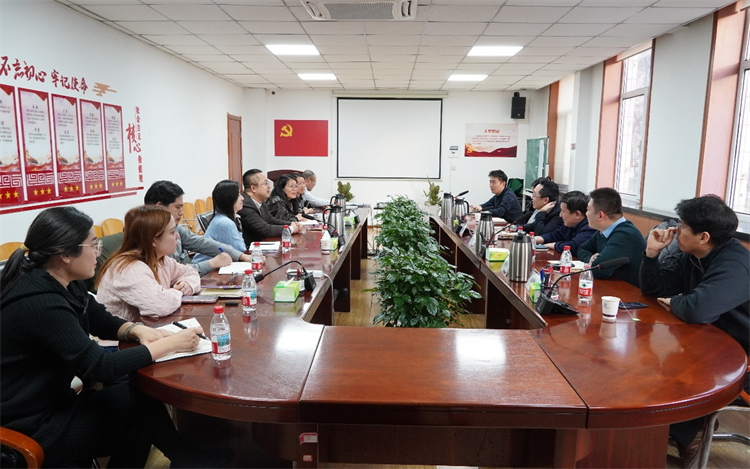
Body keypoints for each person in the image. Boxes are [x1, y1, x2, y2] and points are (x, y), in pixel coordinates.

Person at [0, 207, 231, 469]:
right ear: (65, 254)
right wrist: (169, 344)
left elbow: (101, 320)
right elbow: (101, 366)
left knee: (140, 405)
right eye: (93, 245)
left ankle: (185, 458)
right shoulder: (41, 303)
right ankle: (187, 458)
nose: (98, 252)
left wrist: (135, 330)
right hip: (30, 423)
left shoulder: (65, 282)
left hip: (53, 401)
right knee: (138, 410)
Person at [639, 195, 750, 468]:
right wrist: (651, 255)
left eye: (682, 226)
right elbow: (655, 290)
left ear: (703, 237)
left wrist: (677, 301)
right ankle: (677, 425)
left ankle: (692, 433)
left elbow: (698, 310)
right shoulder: (692, 255)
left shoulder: (735, 264)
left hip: (741, 353)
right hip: (708, 338)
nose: (675, 230)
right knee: (650, 360)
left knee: (679, 370)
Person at [96, 205, 201, 321]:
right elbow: (161, 306)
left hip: (146, 328)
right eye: (172, 232)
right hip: (122, 332)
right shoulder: (129, 268)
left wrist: (187, 284)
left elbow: (190, 271)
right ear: (153, 240)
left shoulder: (160, 259)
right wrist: (178, 292)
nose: (177, 236)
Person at [144, 180, 252, 276]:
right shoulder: (144, 234)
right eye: (178, 207)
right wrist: (212, 263)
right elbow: (172, 273)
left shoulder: (176, 228)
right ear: (160, 207)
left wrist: (241, 256)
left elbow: (203, 243)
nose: (181, 213)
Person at [577, 188, 645, 287]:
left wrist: (594, 263)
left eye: (588, 210)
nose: (586, 213)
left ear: (600, 215)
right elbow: (581, 249)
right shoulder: (603, 230)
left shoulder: (625, 235)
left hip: (631, 292)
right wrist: (590, 259)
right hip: (613, 286)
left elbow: (599, 270)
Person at [238, 169, 301, 246]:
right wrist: (291, 229)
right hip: (250, 249)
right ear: (253, 188)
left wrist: (291, 223)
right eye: (265, 184)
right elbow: (265, 229)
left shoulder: (261, 202)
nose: (269, 187)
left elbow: (271, 220)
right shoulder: (245, 205)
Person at [193, 180, 246, 264]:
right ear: (229, 199)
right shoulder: (225, 223)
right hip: (208, 269)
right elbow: (239, 251)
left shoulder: (233, 218)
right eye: (239, 195)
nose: (242, 198)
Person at [533, 190, 596, 257]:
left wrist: (554, 245)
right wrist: (534, 239)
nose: (560, 215)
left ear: (577, 214)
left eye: (563, 211)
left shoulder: (590, 227)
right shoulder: (570, 224)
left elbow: (574, 246)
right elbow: (555, 235)